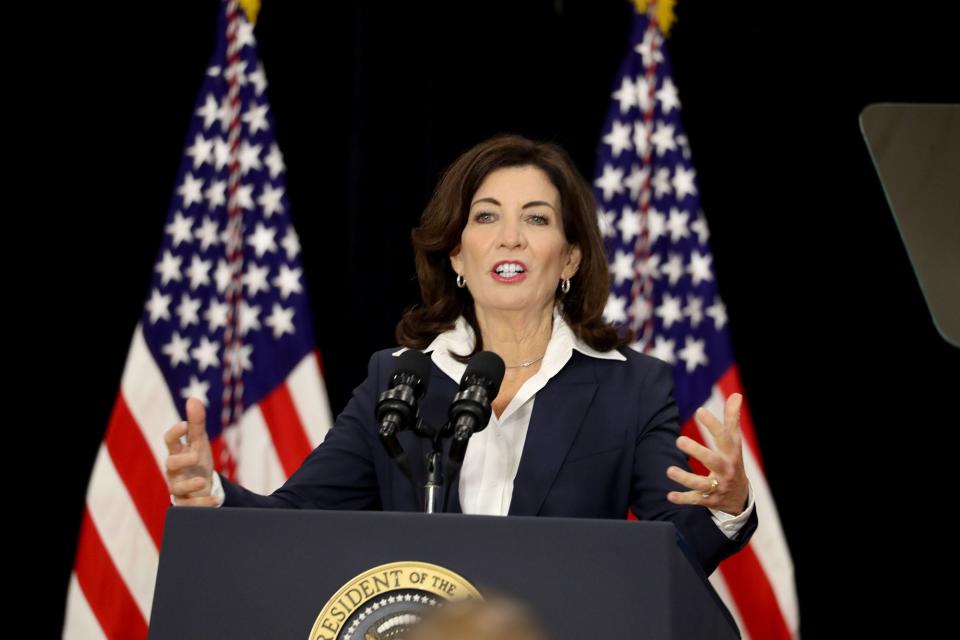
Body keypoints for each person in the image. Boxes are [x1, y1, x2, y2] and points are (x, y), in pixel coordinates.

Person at [165, 134, 756, 576]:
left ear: (570, 258)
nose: (510, 237)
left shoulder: (632, 388)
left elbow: (670, 553)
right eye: (486, 217)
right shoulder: (398, 378)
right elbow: (298, 518)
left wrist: (728, 507)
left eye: (537, 219)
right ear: (456, 255)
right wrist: (213, 493)